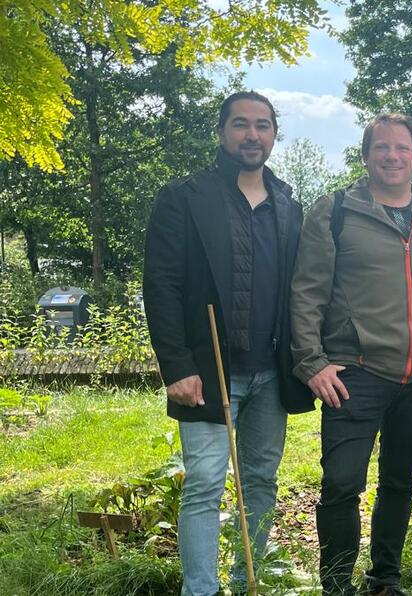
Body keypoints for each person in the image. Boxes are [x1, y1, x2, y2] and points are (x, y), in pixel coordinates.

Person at [143, 91, 314, 596]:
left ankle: (248, 581)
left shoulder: (288, 203)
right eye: (241, 124)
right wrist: (176, 365)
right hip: (207, 370)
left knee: (261, 481)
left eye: (263, 126)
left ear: (274, 135)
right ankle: (200, 589)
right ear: (222, 132)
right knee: (204, 484)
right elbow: (162, 285)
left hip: (271, 374)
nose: (252, 135)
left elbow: (299, 288)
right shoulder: (184, 197)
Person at [289, 113, 412, 596]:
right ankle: (337, 585)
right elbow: (307, 292)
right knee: (342, 484)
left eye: (401, 148)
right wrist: (311, 361)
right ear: (365, 156)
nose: (392, 156)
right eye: (381, 148)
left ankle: (385, 578)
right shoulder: (335, 211)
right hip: (355, 372)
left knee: (400, 483)